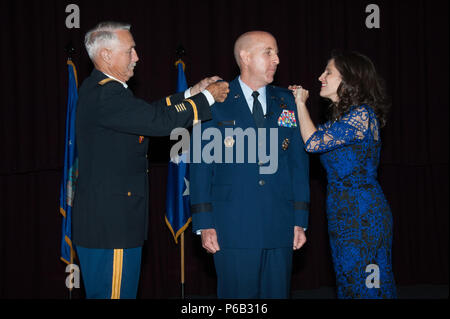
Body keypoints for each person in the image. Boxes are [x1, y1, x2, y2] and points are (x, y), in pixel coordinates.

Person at [72, 21, 229, 299]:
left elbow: (149, 112)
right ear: (106, 55)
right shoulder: (106, 93)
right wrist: (207, 98)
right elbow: (158, 122)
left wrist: (192, 93)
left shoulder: (101, 89)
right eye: (130, 50)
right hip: (113, 229)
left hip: (108, 225)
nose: (137, 57)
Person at [190, 31, 310, 299]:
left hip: (280, 225)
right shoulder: (215, 101)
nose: (277, 59)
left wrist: (299, 219)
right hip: (232, 227)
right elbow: (200, 167)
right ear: (245, 57)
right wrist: (204, 222)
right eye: (268, 52)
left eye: (276, 52)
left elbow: (298, 165)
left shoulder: (288, 102)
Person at [291, 50, 396, 298]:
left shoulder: (362, 115)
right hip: (343, 213)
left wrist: (299, 103)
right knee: (349, 283)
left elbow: (313, 143)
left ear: (350, 80)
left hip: (364, 216)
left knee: (368, 287)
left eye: (328, 72)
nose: (320, 77)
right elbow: (314, 137)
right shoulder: (344, 120)